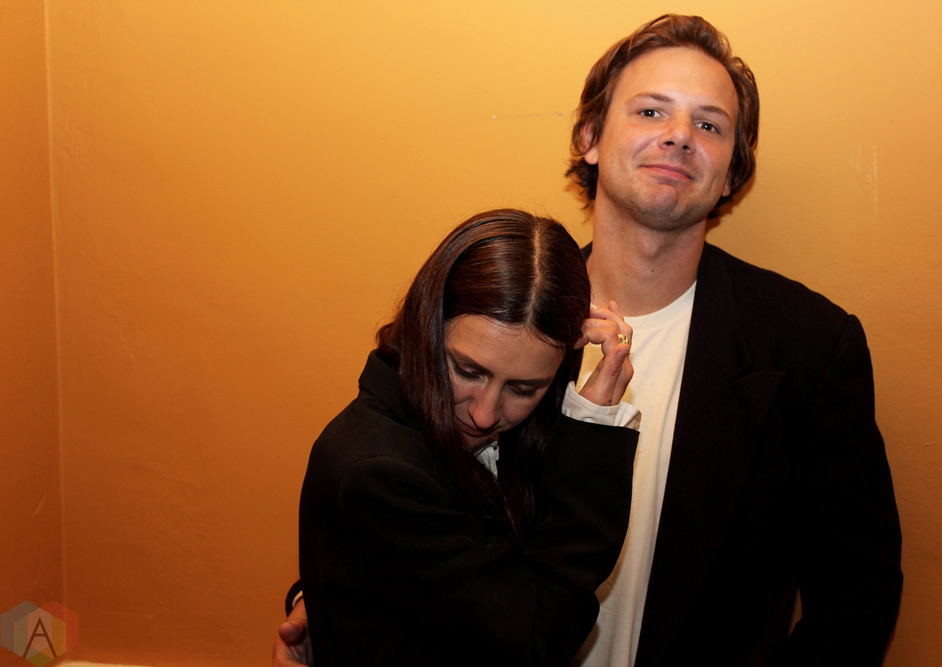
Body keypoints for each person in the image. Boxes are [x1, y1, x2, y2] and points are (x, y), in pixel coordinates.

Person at [276, 14, 903, 667]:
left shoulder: (809, 346)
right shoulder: (501, 315)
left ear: (731, 173)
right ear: (590, 138)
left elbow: (858, 591)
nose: (679, 135)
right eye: (651, 110)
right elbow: (407, 499)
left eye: (709, 125)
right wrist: (327, 602)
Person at [294, 209, 640, 667]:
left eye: (523, 389)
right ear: (427, 326)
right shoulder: (378, 471)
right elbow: (536, 636)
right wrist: (594, 432)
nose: (484, 413)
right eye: (468, 371)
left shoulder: (518, 424)